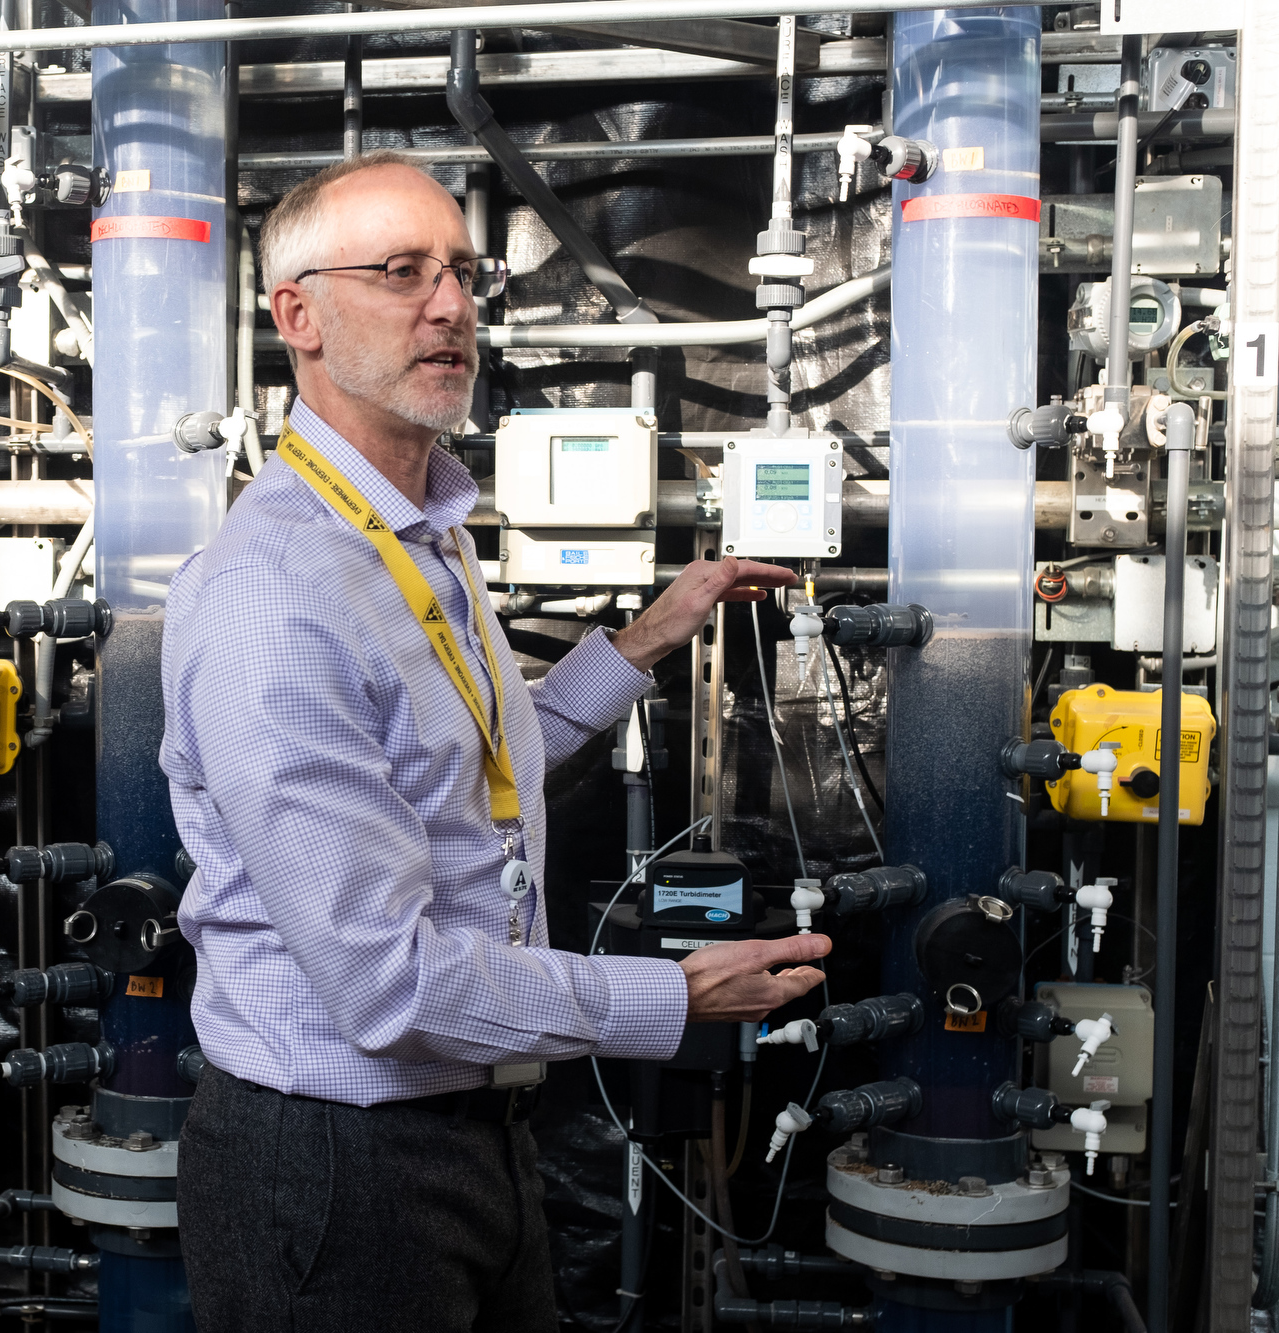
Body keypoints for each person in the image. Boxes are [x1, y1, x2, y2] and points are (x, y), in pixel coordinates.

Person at [160, 151, 830, 1332]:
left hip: (476, 1134)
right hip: (336, 1162)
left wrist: (648, 635)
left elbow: (478, 761)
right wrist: (668, 997)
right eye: (401, 271)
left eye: (463, 273)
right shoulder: (273, 591)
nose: (450, 305)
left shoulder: (419, 532)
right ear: (296, 316)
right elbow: (387, 983)